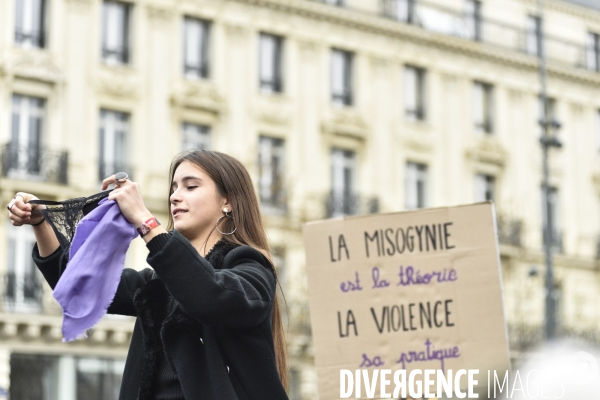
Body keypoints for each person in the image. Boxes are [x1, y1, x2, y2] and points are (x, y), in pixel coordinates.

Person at [7, 150, 289, 400]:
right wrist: (41, 222)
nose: (175, 196)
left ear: (228, 201)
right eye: (174, 188)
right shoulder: (160, 283)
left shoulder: (251, 266)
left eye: (191, 187)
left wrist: (145, 221)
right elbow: (80, 285)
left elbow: (210, 295)